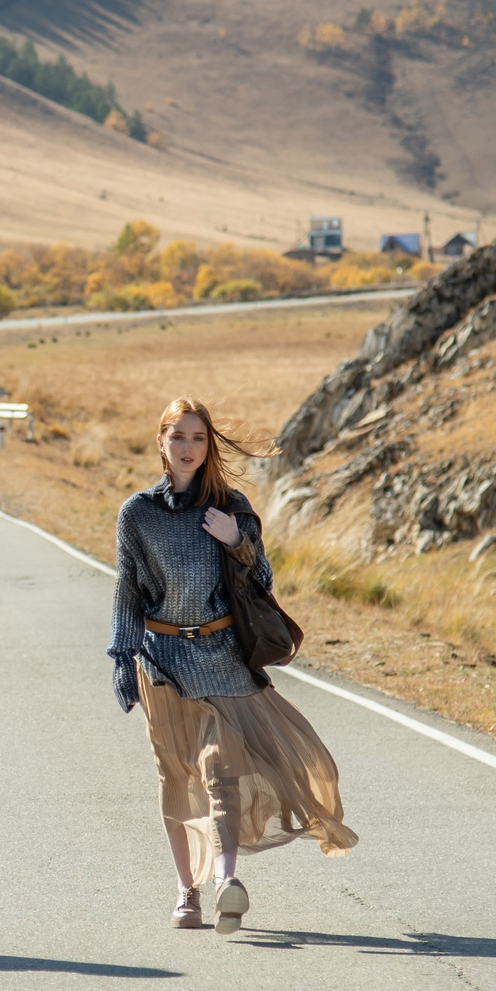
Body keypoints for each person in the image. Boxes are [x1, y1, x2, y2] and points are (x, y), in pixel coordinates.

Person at [109, 398, 357, 933]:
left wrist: (236, 540)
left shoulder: (231, 505)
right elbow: (128, 592)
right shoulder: (138, 514)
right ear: (161, 442)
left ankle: (226, 883)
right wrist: (120, 658)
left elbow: (263, 580)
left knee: (221, 772)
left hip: (221, 657)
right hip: (162, 662)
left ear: (208, 446)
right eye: (178, 437)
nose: (187, 448)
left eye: (197, 439)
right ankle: (186, 893)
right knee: (175, 776)